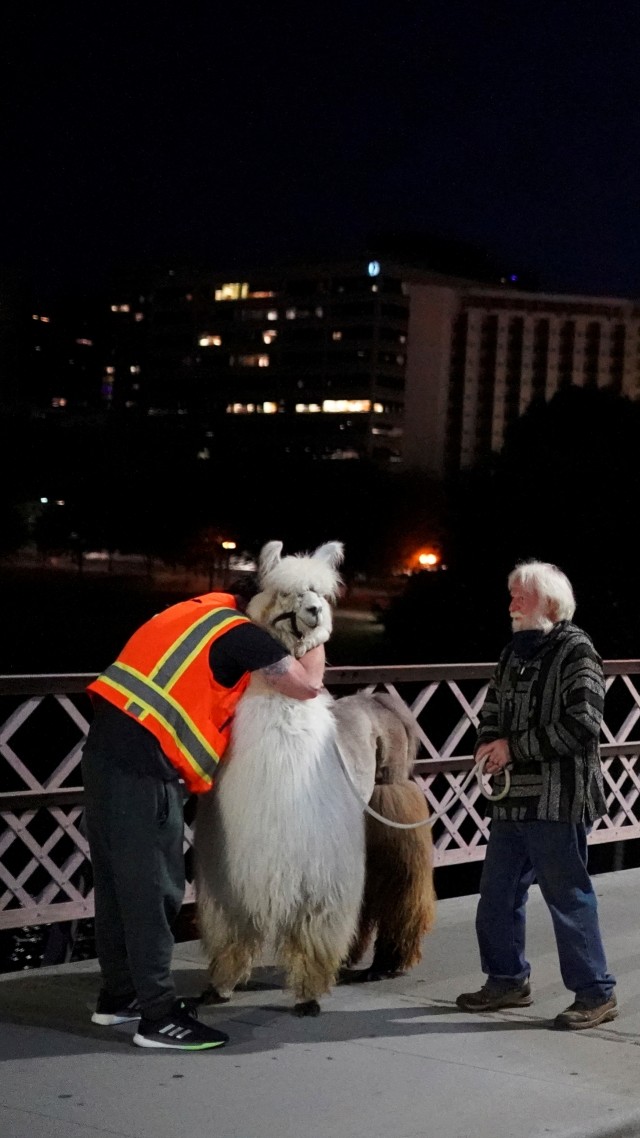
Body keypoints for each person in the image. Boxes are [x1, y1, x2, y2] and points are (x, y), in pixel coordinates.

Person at [81, 578, 325, 1051]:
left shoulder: (189, 613)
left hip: (104, 753)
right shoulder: (240, 633)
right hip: (143, 769)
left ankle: (120, 997)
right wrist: (317, 636)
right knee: (155, 889)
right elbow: (306, 687)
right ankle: (157, 1017)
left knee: (116, 885)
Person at [456, 559, 617, 1030]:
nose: (510, 605)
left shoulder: (578, 651)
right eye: (511, 597)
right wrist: (488, 741)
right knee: (497, 893)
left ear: (547, 601)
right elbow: (492, 705)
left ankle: (596, 993)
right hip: (513, 800)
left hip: (559, 799)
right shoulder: (513, 652)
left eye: (519, 597)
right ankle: (507, 980)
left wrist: (513, 747)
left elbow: (583, 724)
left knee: (568, 897)